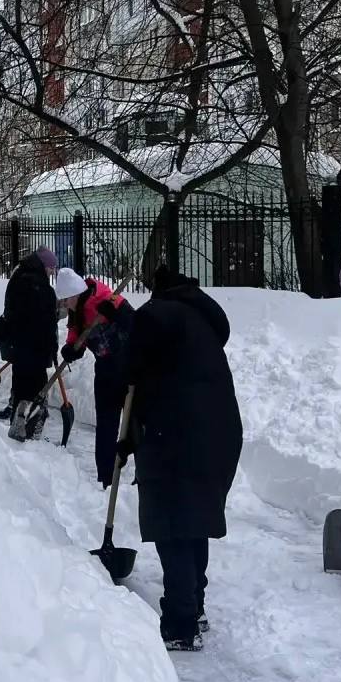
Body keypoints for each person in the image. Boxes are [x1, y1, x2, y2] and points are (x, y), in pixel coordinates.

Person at [117, 265, 242, 651]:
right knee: (193, 523)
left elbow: (132, 372)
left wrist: (131, 437)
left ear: (155, 288)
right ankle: (195, 608)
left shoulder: (155, 315)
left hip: (173, 436)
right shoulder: (204, 318)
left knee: (171, 526)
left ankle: (179, 624)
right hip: (218, 433)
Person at [54, 268, 134, 488]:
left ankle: (143, 475)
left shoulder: (106, 297)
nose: (64, 305)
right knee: (106, 423)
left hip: (130, 368)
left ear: (74, 294)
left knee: (135, 422)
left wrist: (117, 314)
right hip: (106, 369)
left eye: (65, 300)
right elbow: (75, 333)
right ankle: (106, 478)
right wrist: (71, 349)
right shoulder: (76, 311)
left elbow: (137, 325)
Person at [0, 246, 58, 442]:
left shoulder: (18, 277)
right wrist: (51, 348)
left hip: (17, 345)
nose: (52, 272)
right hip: (35, 347)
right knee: (38, 391)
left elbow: (13, 310)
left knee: (20, 386)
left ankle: (16, 427)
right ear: (43, 265)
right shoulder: (41, 288)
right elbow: (46, 323)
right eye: (51, 268)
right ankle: (30, 431)